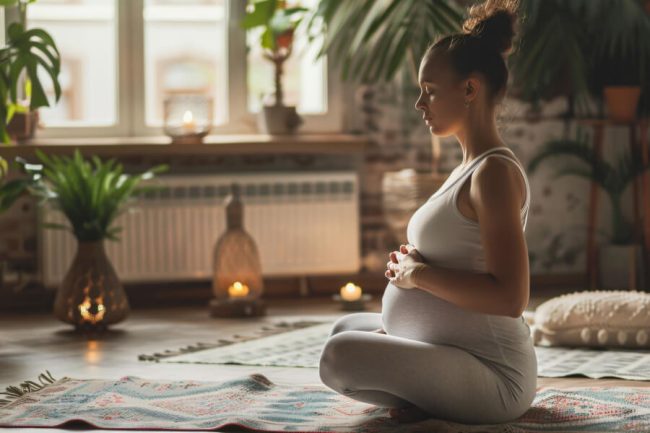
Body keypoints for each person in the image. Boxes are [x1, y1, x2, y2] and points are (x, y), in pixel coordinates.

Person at [319, 0, 537, 425]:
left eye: (430, 90)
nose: (420, 103)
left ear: (470, 90)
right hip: (457, 354)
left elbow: (511, 297)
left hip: (496, 376)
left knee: (338, 356)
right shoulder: (469, 168)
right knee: (344, 330)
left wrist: (416, 276)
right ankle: (432, 396)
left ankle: (438, 397)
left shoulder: (493, 172)